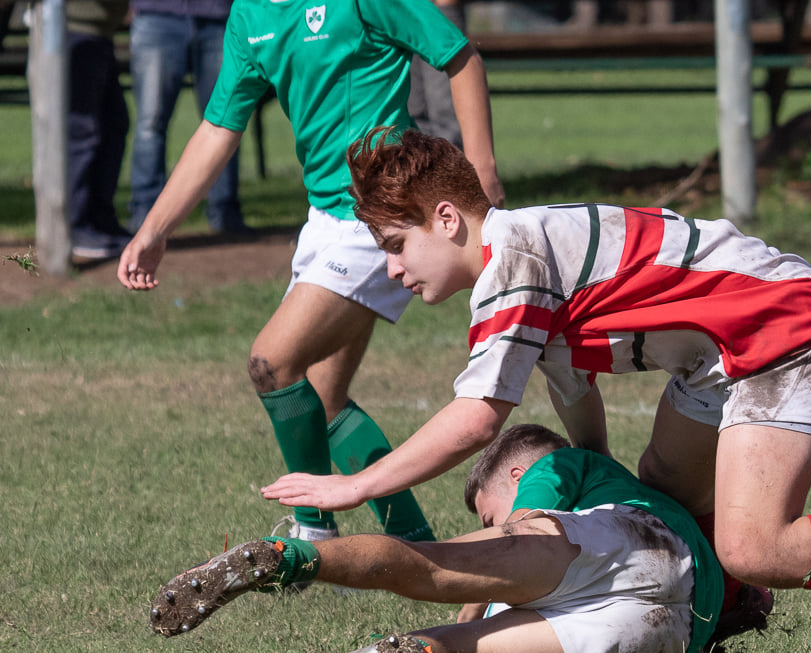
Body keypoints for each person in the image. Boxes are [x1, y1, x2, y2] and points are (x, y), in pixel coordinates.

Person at [260, 127, 811, 653]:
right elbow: (581, 410)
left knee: (755, 544)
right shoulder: (526, 269)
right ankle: (727, 601)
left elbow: (478, 417)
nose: (391, 269)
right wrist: (596, 494)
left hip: (783, 329)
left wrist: (351, 487)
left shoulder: (514, 261)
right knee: (659, 481)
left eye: (395, 244)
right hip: (716, 356)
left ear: (447, 219)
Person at [117, 1, 506, 546]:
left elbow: (459, 57)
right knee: (321, 403)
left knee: (272, 362)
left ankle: (313, 532)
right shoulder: (249, 17)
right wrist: (155, 230)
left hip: (382, 218)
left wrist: (480, 170)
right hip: (323, 219)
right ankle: (416, 547)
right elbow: (217, 128)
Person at [149, 424, 729, 653]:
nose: (488, 525)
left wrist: (476, 577)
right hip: (673, 638)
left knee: (432, 566)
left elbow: (479, 562)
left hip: (635, 546)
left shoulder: (553, 470)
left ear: (517, 478)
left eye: (486, 514)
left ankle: (288, 557)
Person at [127, 0, 248, 235]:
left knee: (227, 120)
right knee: (150, 123)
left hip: (219, 15)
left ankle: (225, 211)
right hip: (157, 13)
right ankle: (144, 212)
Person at [64, 1, 133, 261]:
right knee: (82, 131)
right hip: (74, 30)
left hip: (100, 32)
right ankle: (76, 225)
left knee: (114, 125)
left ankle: (101, 219)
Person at [408, 0, 465, 149]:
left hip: (441, 11)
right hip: (406, 13)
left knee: (445, 113)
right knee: (413, 110)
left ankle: (450, 166)